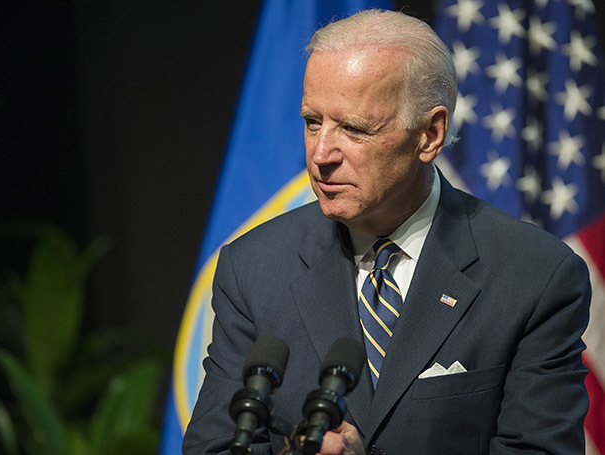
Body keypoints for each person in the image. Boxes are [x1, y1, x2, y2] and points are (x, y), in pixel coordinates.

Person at [182, 9, 590, 455]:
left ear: (430, 134)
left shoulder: (534, 276)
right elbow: (217, 446)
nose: (320, 154)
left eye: (354, 129)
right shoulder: (254, 269)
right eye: (312, 122)